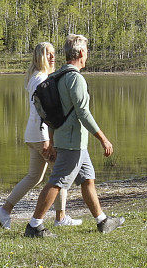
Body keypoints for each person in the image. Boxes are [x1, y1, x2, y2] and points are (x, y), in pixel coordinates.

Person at [25, 34, 124, 237]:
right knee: (57, 181)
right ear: (79, 53)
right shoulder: (75, 79)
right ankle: (34, 226)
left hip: (70, 140)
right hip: (72, 143)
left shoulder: (59, 75)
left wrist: (52, 140)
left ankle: (102, 221)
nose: (87, 56)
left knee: (87, 178)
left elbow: (53, 113)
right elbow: (83, 113)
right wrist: (103, 139)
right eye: (86, 52)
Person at [0, 42, 82, 230]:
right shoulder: (41, 79)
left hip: (32, 134)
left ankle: (5, 210)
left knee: (34, 176)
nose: (52, 57)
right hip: (40, 136)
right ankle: (60, 217)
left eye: (53, 54)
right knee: (60, 175)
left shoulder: (35, 77)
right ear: (39, 57)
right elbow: (42, 112)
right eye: (47, 54)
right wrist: (47, 141)